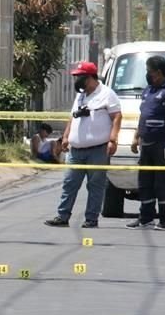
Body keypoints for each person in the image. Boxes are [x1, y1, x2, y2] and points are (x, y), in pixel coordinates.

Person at [44, 61, 122, 228]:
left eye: (80, 77)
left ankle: (91, 219)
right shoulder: (81, 95)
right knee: (69, 183)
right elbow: (73, 117)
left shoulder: (107, 94)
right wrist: (65, 137)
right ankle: (62, 216)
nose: (77, 80)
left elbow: (116, 117)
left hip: (98, 150)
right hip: (76, 150)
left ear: (90, 77)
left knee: (95, 185)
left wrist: (113, 139)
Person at [127, 55, 165, 231]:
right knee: (145, 181)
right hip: (147, 143)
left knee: (163, 182)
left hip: (164, 144)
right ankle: (146, 218)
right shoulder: (149, 90)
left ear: (159, 72)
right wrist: (136, 136)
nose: (147, 75)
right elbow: (144, 114)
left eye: (149, 72)